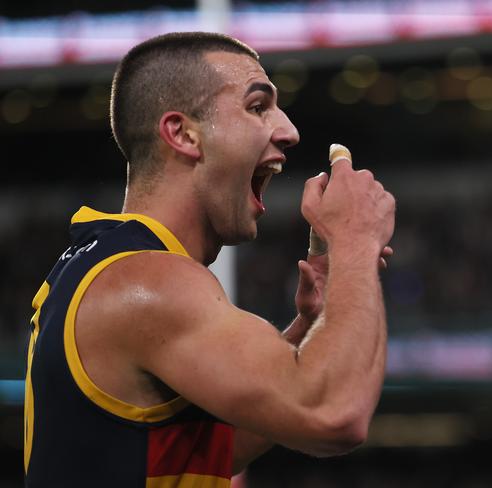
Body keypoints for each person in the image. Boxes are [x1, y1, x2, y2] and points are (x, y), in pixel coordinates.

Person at [24, 31, 395, 487]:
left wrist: (312, 325)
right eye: (257, 106)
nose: (290, 131)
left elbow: (212, 447)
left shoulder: (103, 265)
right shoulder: (149, 282)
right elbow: (334, 414)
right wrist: (356, 237)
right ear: (182, 134)